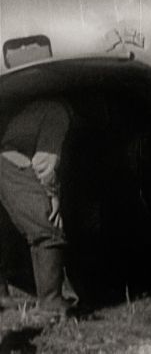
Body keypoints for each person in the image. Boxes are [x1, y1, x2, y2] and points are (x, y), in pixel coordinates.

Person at [0, 99, 73, 314]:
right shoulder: (58, 112)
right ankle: (51, 301)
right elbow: (44, 161)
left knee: (2, 230)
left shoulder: (35, 107)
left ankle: (2, 296)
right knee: (46, 226)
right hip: (8, 161)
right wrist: (53, 196)